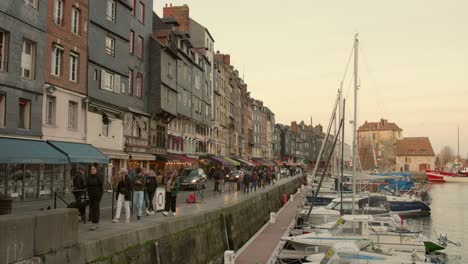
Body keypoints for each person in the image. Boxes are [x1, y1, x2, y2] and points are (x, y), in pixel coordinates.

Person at [87, 166, 103, 230]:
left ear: (96, 170)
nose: (92, 170)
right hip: (91, 196)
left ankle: (94, 223)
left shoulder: (98, 177)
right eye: (91, 169)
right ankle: (96, 222)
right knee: (92, 208)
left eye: (93, 169)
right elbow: (87, 185)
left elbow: (101, 187)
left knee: (95, 208)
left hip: (97, 195)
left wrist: (100, 195)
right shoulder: (89, 177)